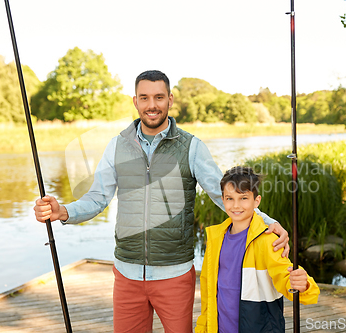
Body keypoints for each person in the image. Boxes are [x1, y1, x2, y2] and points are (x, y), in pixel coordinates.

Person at [34, 70, 290, 333]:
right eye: (144, 98)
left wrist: (269, 223)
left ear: (170, 99)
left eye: (159, 97)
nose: (152, 105)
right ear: (135, 101)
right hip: (126, 274)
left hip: (174, 274)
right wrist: (63, 210)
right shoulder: (117, 146)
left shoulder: (191, 147)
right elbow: (98, 198)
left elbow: (222, 195)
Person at [196, 166, 320, 333]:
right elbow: (208, 293)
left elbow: (284, 276)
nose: (236, 205)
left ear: (256, 201)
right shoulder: (215, 239)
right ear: (223, 200)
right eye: (229, 198)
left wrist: (303, 285)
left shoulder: (267, 240)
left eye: (243, 198)